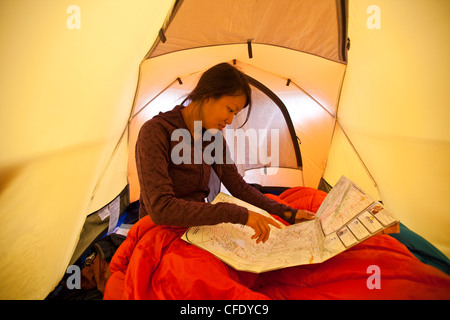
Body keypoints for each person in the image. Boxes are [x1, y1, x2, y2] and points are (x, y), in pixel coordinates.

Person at [135, 62, 315, 244]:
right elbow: (161, 209)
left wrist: (286, 213)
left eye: (235, 114)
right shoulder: (156, 131)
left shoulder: (212, 138)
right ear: (207, 96)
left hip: (196, 228)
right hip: (159, 232)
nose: (230, 120)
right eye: (230, 109)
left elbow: (237, 186)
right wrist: (235, 213)